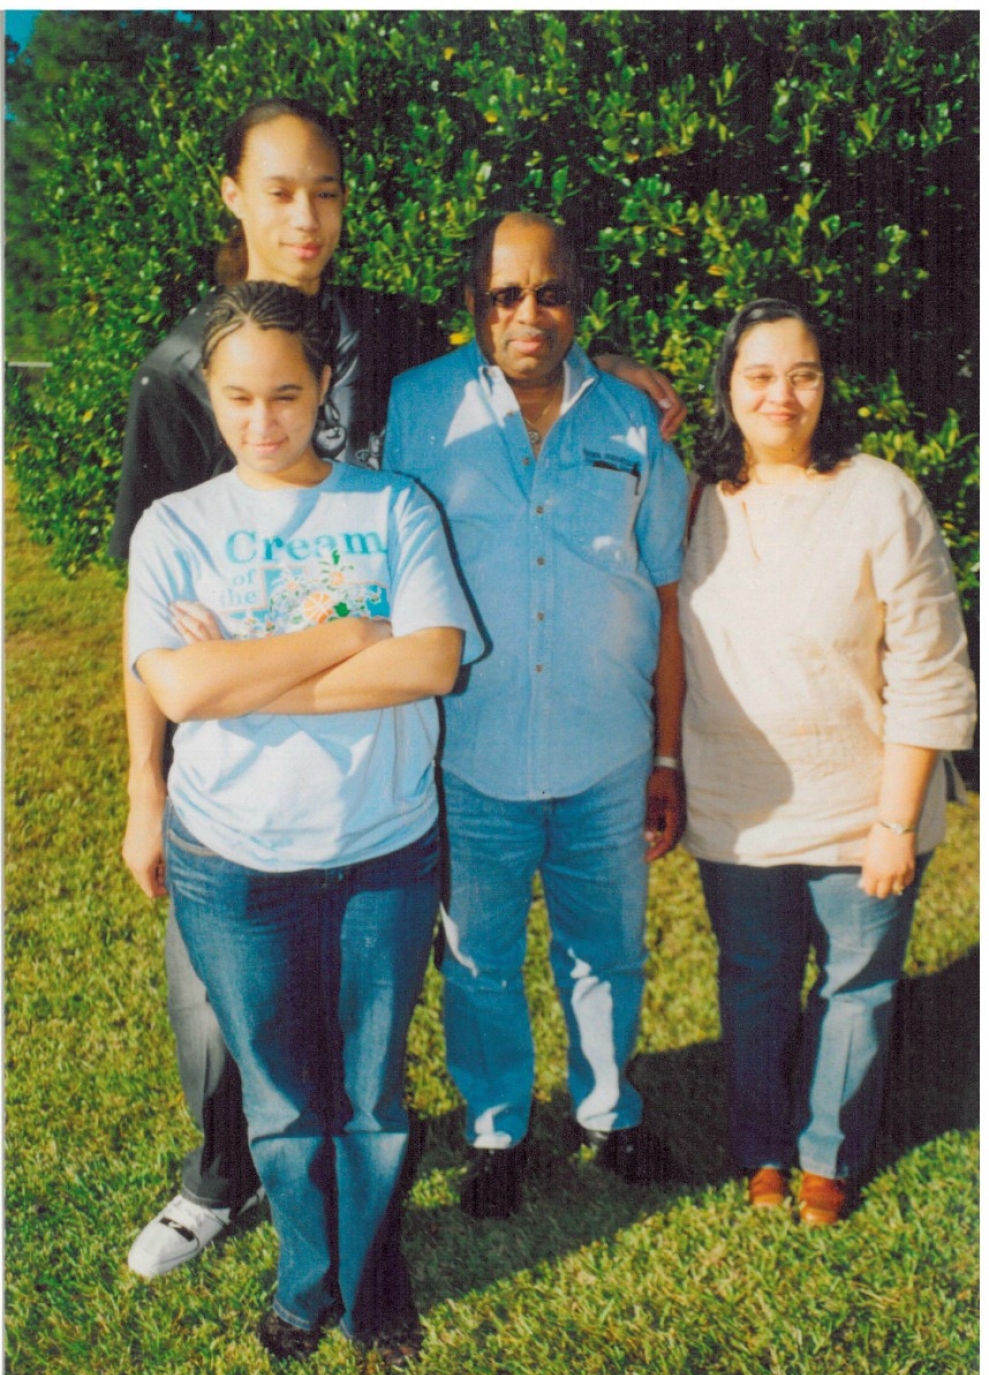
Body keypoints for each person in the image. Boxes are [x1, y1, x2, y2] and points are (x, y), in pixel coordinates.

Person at [113, 98, 687, 1276]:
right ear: (231, 195)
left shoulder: (384, 334)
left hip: (384, 734)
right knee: (224, 995)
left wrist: (611, 372)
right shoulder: (179, 372)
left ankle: (452, 1130)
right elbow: (151, 621)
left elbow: (516, 351)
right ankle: (221, 1181)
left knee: (382, 965)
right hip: (234, 746)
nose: (305, 215)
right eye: (279, 191)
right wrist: (143, 782)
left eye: (324, 189)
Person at [126, 279, 479, 1361]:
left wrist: (239, 668)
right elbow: (174, 691)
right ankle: (304, 1276)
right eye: (238, 397)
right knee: (279, 1098)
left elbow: (431, 659)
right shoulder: (176, 525)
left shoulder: (391, 507)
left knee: (370, 1092)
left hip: (380, 855)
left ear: (325, 384)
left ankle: (372, 1274)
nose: (262, 421)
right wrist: (347, 631)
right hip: (232, 862)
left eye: (287, 393)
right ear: (211, 394)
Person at [384, 212, 690, 1219]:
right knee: (477, 960)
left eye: (549, 291)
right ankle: (494, 1128)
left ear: (578, 298)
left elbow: (663, 593)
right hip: (468, 753)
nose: (529, 313)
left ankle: (607, 1112)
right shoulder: (416, 407)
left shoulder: (632, 420)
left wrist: (663, 755)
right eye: (504, 293)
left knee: (605, 948)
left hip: (604, 750)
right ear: (472, 301)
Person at [678, 297, 976, 1224]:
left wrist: (894, 820)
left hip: (865, 807)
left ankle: (827, 1155)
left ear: (826, 383)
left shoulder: (879, 494)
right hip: (738, 808)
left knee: (856, 986)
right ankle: (763, 1148)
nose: (782, 394)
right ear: (726, 388)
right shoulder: (693, 501)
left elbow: (930, 665)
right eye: (759, 375)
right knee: (755, 982)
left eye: (802, 373)